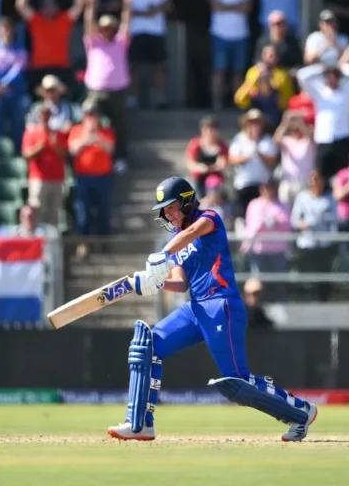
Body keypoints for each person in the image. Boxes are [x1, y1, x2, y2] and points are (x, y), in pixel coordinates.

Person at [106, 176, 317, 442]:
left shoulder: (209, 218)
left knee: (237, 384)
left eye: (171, 207)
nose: (167, 215)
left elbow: (192, 233)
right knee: (146, 346)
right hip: (196, 309)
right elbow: (180, 282)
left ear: (186, 201)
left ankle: (301, 412)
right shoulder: (176, 239)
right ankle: (139, 424)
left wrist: (164, 253)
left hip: (222, 305)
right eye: (164, 210)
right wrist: (151, 283)